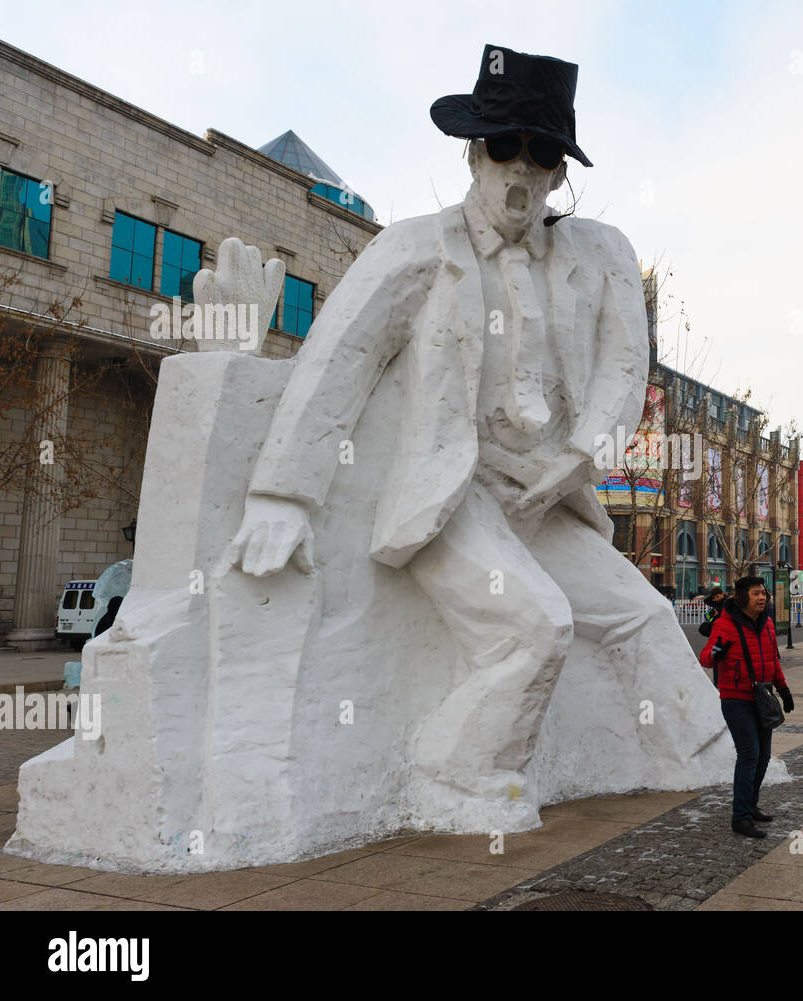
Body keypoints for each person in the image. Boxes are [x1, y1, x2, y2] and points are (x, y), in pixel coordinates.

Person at [227, 44, 725, 828]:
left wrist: (577, 458)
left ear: (561, 171)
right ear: (471, 154)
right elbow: (337, 362)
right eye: (503, 148)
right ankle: (456, 773)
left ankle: (708, 765)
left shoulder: (598, 256)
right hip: (453, 492)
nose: (519, 171)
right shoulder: (415, 248)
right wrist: (281, 494)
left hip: (545, 494)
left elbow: (625, 372)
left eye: (541, 153)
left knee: (646, 615)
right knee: (534, 626)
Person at [700, 576, 795, 839]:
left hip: (762, 696)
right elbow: (706, 657)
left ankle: (750, 805)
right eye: (756, 594)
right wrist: (716, 653)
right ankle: (740, 817)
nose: (762, 597)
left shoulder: (766, 625)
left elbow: (773, 659)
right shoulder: (724, 624)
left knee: (763, 755)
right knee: (749, 754)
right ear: (742, 597)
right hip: (736, 699)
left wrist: (783, 689)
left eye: (763, 593)